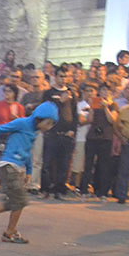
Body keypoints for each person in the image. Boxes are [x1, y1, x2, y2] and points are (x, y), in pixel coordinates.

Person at [0, 102, 59, 244]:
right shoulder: (22, 123)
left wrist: (29, 171)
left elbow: (27, 152)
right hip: (9, 165)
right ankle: (9, 233)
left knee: (11, 203)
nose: (48, 127)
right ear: (39, 118)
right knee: (20, 201)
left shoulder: (33, 132)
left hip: (15, 168)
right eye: (48, 123)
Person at [40, 66, 77, 199]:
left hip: (66, 134)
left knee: (64, 164)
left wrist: (73, 130)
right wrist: (60, 102)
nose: (63, 79)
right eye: (61, 76)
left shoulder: (72, 94)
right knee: (47, 163)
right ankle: (45, 189)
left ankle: (59, 191)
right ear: (55, 76)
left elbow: (74, 114)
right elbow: (45, 111)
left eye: (65, 76)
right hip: (52, 133)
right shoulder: (49, 93)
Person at [0, 83, 25, 192]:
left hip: (12, 137)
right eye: (5, 91)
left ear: (14, 94)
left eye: (9, 91)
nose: (6, 94)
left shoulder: (18, 107)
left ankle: (7, 187)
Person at [82, 84, 118, 199]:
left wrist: (106, 107)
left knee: (104, 166)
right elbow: (90, 120)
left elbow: (112, 120)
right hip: (92, 137)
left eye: (107, 90)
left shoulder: (113, 105)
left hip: (106, 138)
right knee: (88, 164)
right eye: (103, 90)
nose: (105, 92)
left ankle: (102, 191)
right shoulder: (94, 104)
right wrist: (92, 107)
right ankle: (84, 190)